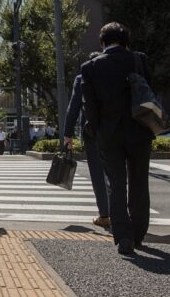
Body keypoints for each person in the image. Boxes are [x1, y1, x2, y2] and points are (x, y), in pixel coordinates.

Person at [77, 22, 153, 255]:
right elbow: (150, 93)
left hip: (109, 134)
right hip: (140, 130)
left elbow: (91, 107)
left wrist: (96, 130)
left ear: (102, 42)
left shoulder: (90, 67)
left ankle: (123, 236)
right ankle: (139, 233)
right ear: (126, 40)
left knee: (116, 185)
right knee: (140, 182)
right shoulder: (139, 60)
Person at [63, 52, 110, 229]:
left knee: (98, 173)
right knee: (117, 171)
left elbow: (73, 108)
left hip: (92, 131)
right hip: (117, 129)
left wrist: (68, 135)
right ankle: (121, 212)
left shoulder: (82, 77)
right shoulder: (114, 74)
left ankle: (105, 215)